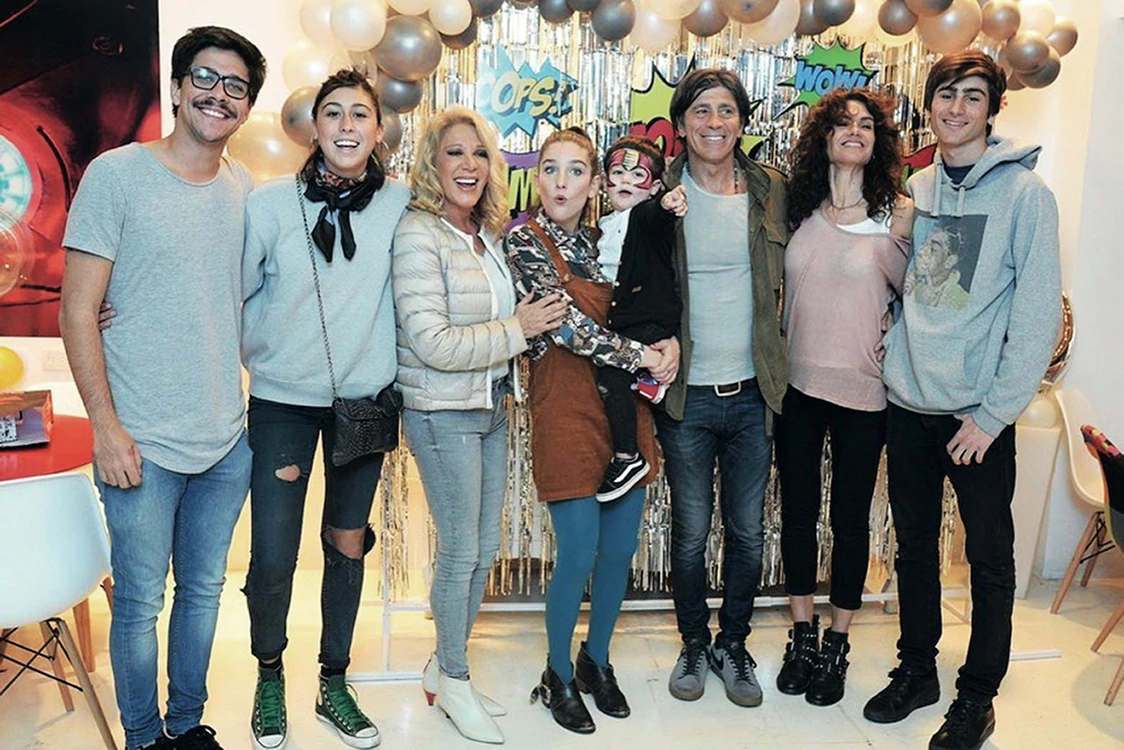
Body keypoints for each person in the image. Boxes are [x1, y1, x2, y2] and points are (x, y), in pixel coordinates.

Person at [58, 26, 266, 750]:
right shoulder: (116, 176)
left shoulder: (244, 189)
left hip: (226, 441)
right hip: (139, 442)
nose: (219, 95)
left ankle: (185, 726)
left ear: (247, 107)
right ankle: (144, 738)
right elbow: (77, 310)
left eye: (236, 86)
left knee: (203, 594)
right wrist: (107, 429)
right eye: (205, 78)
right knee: (140, 602)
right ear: (176, 88)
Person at [863, 50, 1062, 750]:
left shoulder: (1025, 196)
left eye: (973, 96)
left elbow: (1037, 316)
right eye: (946, 94)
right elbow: (927, 291)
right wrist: (892, 342)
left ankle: (977, 696)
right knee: (914, 549)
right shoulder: (918, 187)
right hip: (909, 404)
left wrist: (993, 415)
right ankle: (918, 670)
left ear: (993, 108)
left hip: (977, 415)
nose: (957, 108)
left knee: (989, 560)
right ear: (930, 105)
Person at [240, 69, 409, 750]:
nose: (345, 125)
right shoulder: (269, 204)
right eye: (332, 113)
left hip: (363, 403)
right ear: (314, 127)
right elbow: (227, 289)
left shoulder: (400, 202)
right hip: (282, 401)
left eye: (359, 114)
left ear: (378, 129)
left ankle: (333, 678)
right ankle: (269, 673)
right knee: (273, 552)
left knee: (347, 543)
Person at [392, 106, 567, 745]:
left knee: (484, 550)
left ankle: (443, 668)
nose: (469, 165)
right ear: (431, 165)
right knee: (461, 551)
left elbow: (492, 319)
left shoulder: (483, 233)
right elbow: (433, 342)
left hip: (491, 405)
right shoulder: (419, 234)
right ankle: (456, 680)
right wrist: (519, 328)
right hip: (442, 412)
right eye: (454, 153)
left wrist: (519, 327)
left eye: (479, 154)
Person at [507, 127, 679, 734]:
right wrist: (641, 355)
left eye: (575, 170)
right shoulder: (525, 241)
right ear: (537, 178)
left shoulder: (613, 237)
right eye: (550, 169)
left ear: (595, 183)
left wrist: (669, 345)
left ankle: (595, 661)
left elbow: (661, 297)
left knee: (619, 551)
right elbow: (566, 327)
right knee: (578, 552)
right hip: (564, 409)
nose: (561, 183)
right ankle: (556, 674)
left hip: (624, 412)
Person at [773, 88, 912, 708]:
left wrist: (896, 338)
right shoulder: (796, 210)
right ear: (824, 138)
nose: (854, 131)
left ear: (878, 141)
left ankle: (838, 640)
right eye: (842, 123)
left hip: (865, 392)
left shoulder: (898, 216)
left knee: (850, 522)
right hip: (797, 388)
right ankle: (802, 633)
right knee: (798, 515)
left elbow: (929, 301)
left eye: (866, 124)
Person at [655, 67, 789, 709]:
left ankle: (732, 644)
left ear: (742, 121)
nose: (715, 122)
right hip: (687, 396)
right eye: (702, 110)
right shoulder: (659, 194)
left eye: (727, 110)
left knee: (746, 532)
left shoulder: (771, 190)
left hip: (755, 391)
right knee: (689, 533)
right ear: (682, 124)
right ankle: (692, 641)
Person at [593, 135, 687, 502]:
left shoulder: (643, 216)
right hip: (626, 321)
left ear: (656, 186)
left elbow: (656, 216)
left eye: (638, 175)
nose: (627, 181)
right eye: (618, 172)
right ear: (604, 181)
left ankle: (628, 457)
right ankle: (646, 382)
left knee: (610, 377)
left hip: (648, 317)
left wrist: (667, 204)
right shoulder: (604, 225)